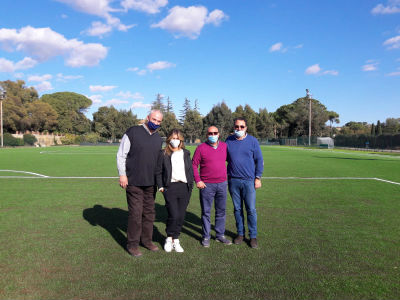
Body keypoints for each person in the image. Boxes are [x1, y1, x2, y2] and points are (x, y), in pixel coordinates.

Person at [116, 110, 163, 257]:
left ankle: (147, 241)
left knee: (149, 214)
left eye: (158, 121)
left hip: (150, 183)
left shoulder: (158, 139)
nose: (155, 123)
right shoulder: (133, 132)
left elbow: (158, 162)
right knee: (136, 214)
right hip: (134, 182)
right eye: (154, 119)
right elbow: (121, 154)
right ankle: (132, 244)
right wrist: (122, 174)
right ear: (148, 118)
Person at [226, 117, 264, 249]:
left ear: (246, 128)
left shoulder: (253, 141)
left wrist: (258, 177)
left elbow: (259, 160)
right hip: (233, 181)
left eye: (242, 127)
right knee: (237, 209)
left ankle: (253, 236)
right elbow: (222, 158)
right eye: (237, 126)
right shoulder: (229, 140)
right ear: (234, 127)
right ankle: (240, 234)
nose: (239, 129)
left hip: (248, 181)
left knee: (251, 210)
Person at [192, 126, 232, 247]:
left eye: (215, 133)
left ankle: (220, 235)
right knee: (206, 212)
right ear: (206, 135)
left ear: (219, 134)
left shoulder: (225, 146)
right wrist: (198, 180)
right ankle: (206, 236)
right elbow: (194, 165)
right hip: (206, 186)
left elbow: (231, 161)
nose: (213, 135)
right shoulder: (201, 148)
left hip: (222, 184)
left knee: (221, 211)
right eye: (210, 133)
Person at [155, 129, 194, 253]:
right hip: (170, 188)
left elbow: (189, 170)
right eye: (173, 138)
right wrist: (161, 186)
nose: (175, 140)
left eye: (177, 138)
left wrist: (190, 185)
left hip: (184, 188)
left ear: (181, 140)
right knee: (174, 214)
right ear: (168, 139)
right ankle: (169, 238)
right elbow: (158, 171)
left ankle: (176, 240)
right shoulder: (163, 153)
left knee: (181, 216)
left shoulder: (186, 153)